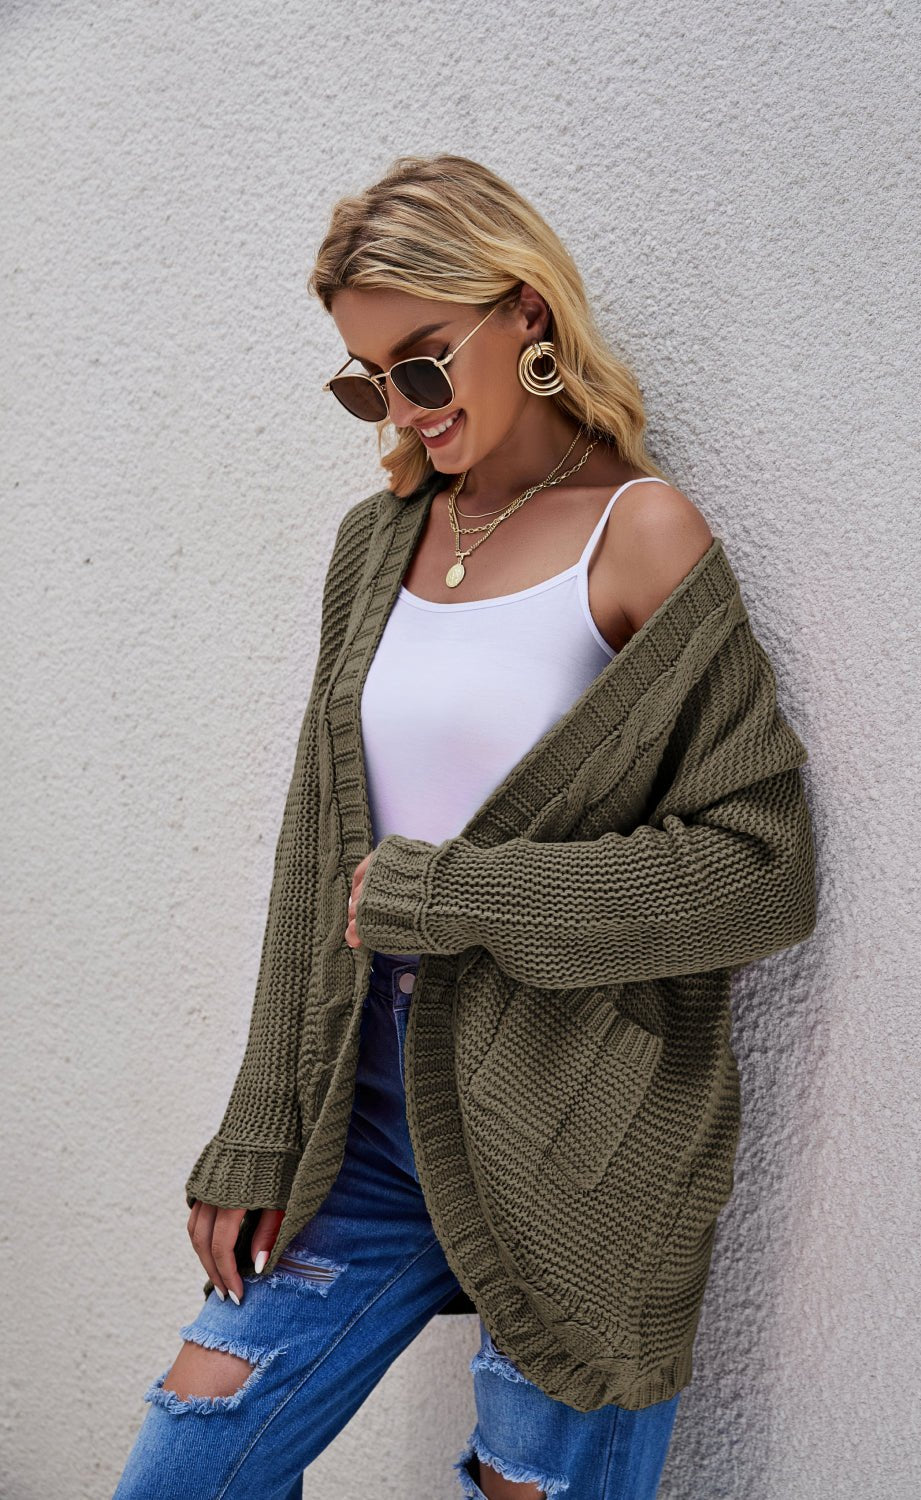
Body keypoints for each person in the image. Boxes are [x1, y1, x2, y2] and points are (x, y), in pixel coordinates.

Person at [114, 153, 815, 1498]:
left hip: (582, 1129)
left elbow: (762, 870)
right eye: (368, 382)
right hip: (365, 1116)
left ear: (526, 313)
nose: (403, 408)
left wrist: (463, 897)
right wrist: (260, 1123)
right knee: (185, 1468)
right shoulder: (376, 544)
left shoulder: (642, 535)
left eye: (424, 364)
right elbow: (314, 857)